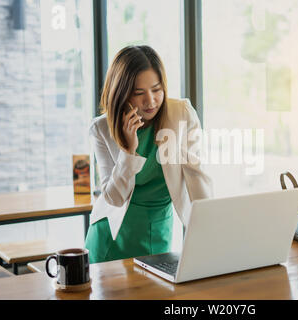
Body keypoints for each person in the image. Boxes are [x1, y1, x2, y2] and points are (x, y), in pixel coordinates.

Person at [84, 45, 213, 263]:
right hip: (112, 237)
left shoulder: (181, 114)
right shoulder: (101, 129)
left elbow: (196, 176)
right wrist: (128, 151)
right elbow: (113, 197)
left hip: (159, 228)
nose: (151, 101)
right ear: (121, 93)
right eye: (139, 93)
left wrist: (210, 230)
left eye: (156, 89)